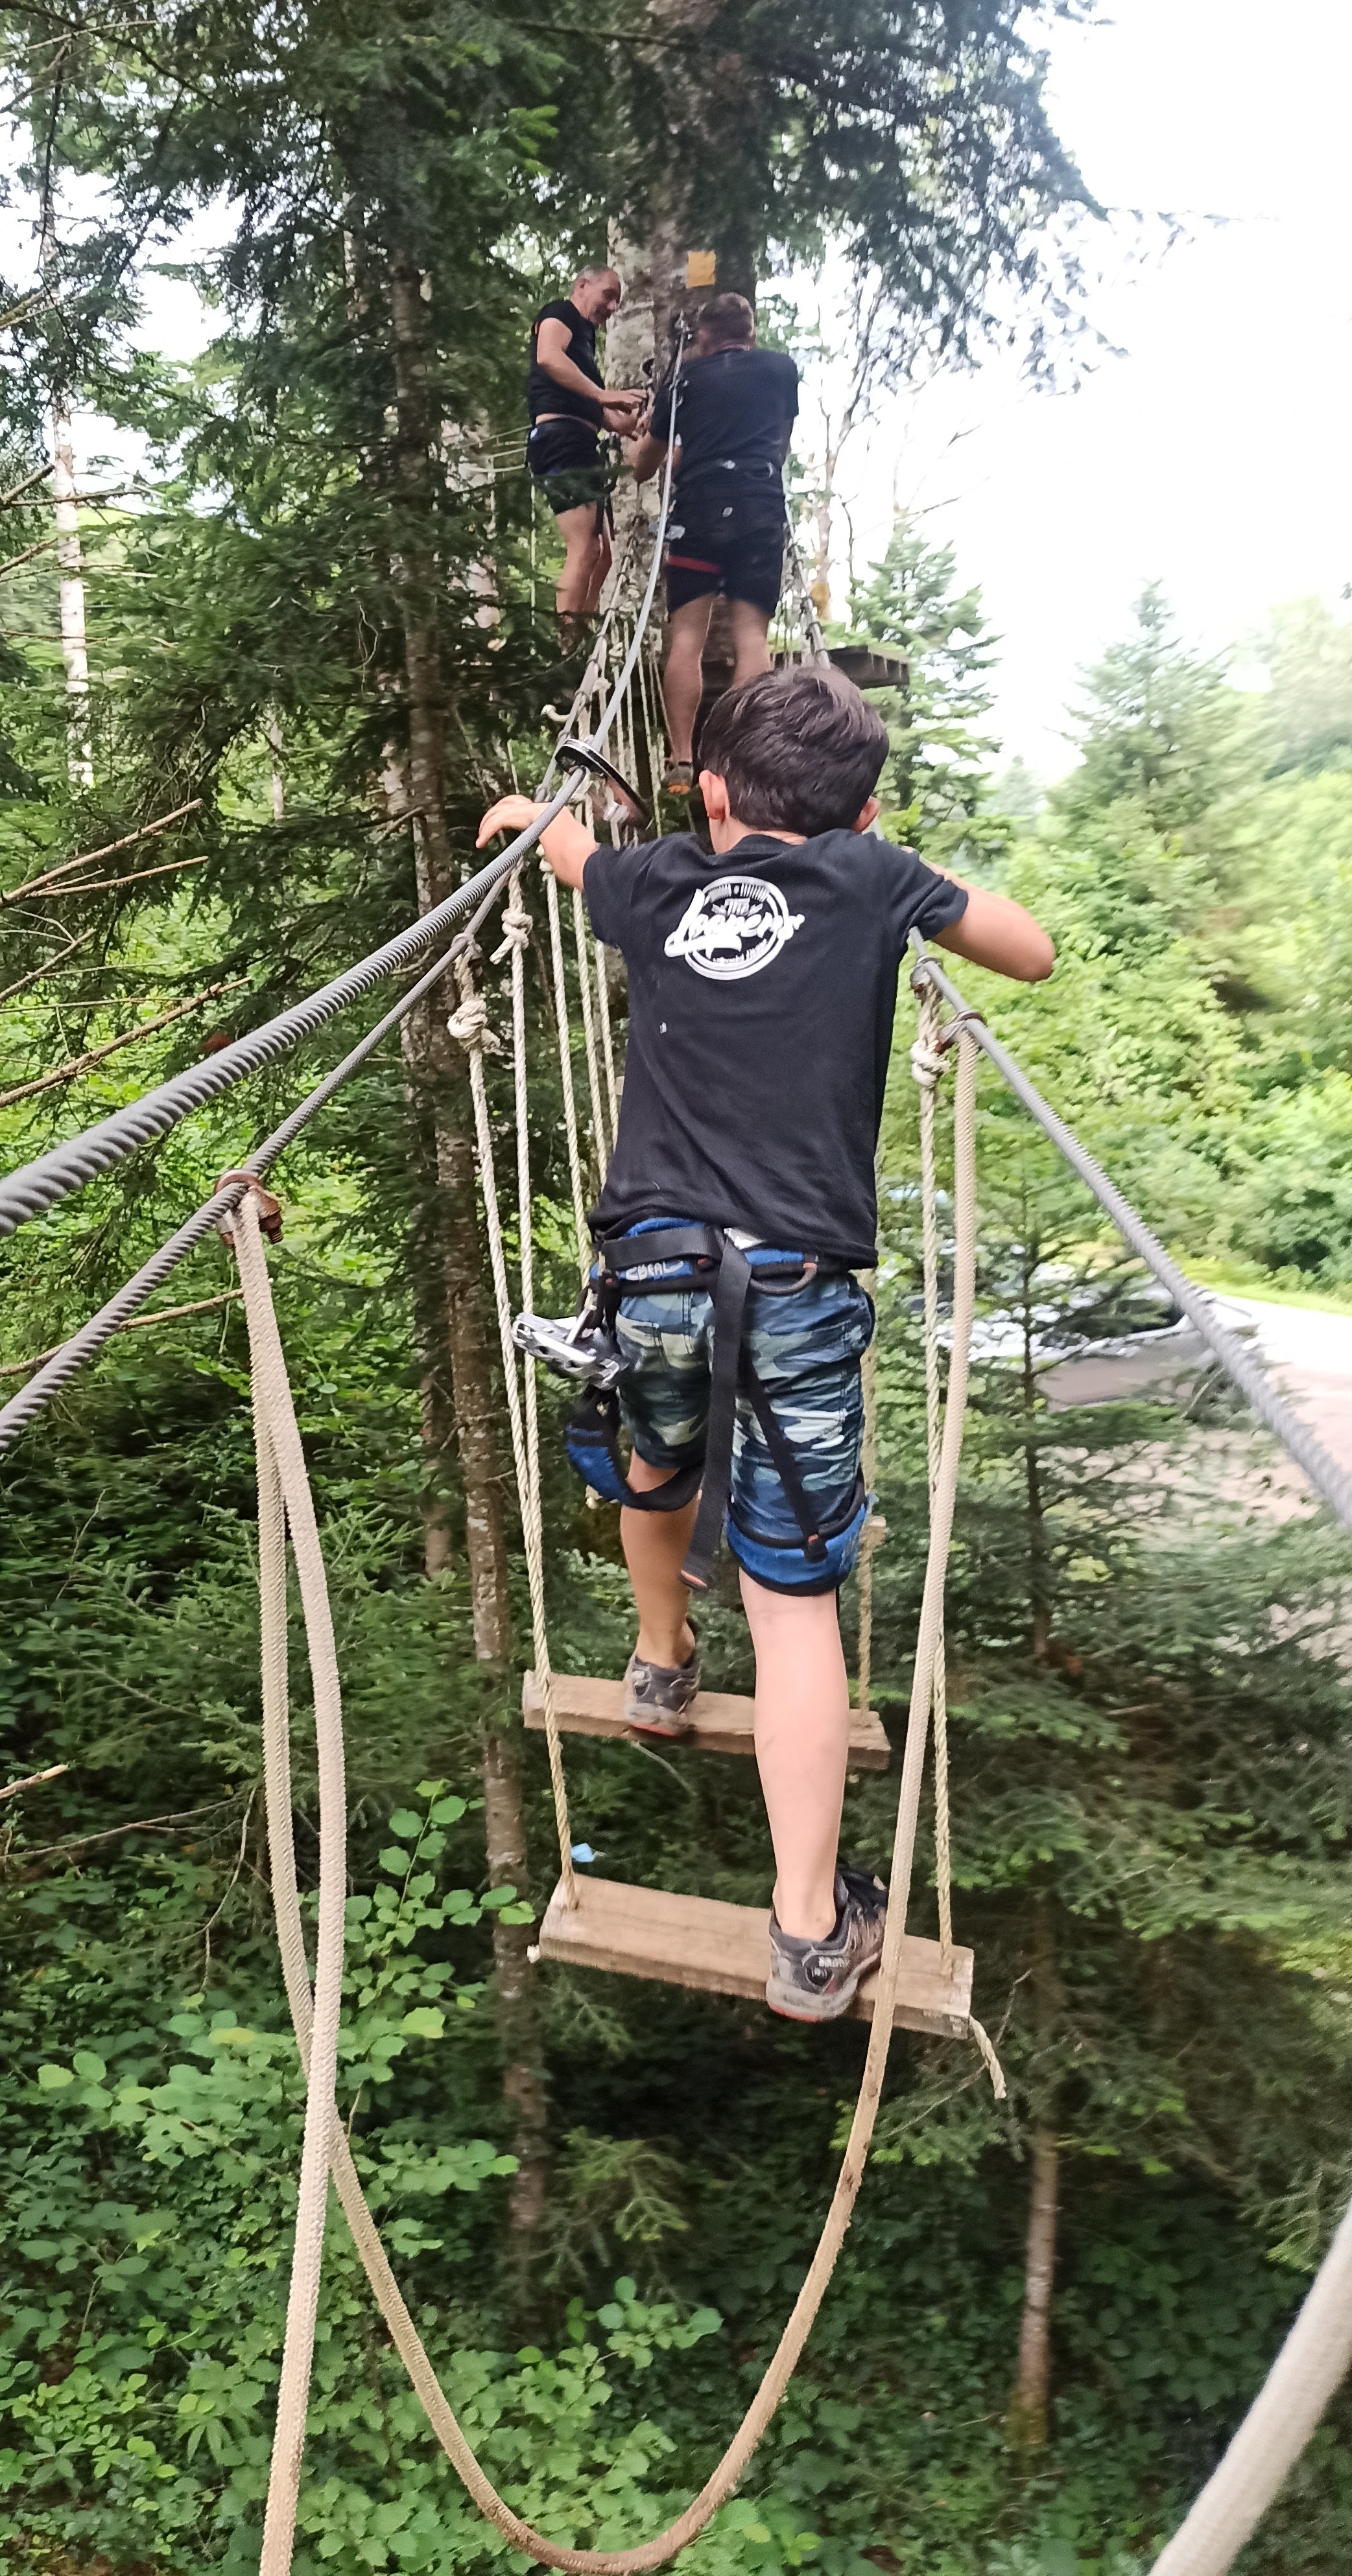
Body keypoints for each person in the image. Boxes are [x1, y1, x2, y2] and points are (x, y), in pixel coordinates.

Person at [477, 670, 1053, 2021]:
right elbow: (1027, 950)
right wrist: (891, 870)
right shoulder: (873, 878)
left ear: (709, 794)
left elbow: (573, 856)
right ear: (860, 814)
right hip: (791, 1284)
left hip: (653, 1270)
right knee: (793, 1606)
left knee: (654, 1467)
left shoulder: (654, 881)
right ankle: (805, 1928)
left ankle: (658, 1659)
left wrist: (530, 815)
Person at [626, 290, 798, 799]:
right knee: (751, 637)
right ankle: (745, 754)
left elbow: (644, 467)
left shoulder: (682, 381)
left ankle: (682, 759)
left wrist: (641, 439)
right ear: (751, 333)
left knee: (687, 637)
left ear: (702, 338)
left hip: (697, 513)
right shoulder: (781, 370)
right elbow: (779, 446)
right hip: (759, 507)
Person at [527, 268, 650, 647]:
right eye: (607, 294)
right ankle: (567, 644)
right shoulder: (560, 313)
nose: (611, 307)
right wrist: (604, 394)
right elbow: (548, 357)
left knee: (603, 555)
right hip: (559, 439)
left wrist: (639, 424)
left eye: (617, 302)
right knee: (584, 547)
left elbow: (605, 416)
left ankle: (581, 635)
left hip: (580, 440)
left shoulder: (584, 343)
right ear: (582, 285)